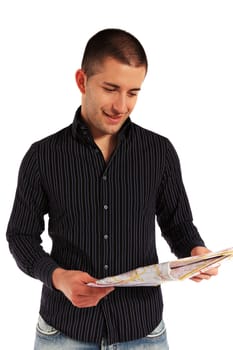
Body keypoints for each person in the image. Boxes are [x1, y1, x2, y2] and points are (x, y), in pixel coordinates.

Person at [6, 28, 218, 350]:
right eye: (111, 89)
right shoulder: (42, 156)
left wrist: (194, 252)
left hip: (142, 332)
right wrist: (57, 277)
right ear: (82, 81)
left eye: (133, 92)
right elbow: (20, 236)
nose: (122, 105)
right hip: (64, 331)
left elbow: (178, 225)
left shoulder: (159, 152)